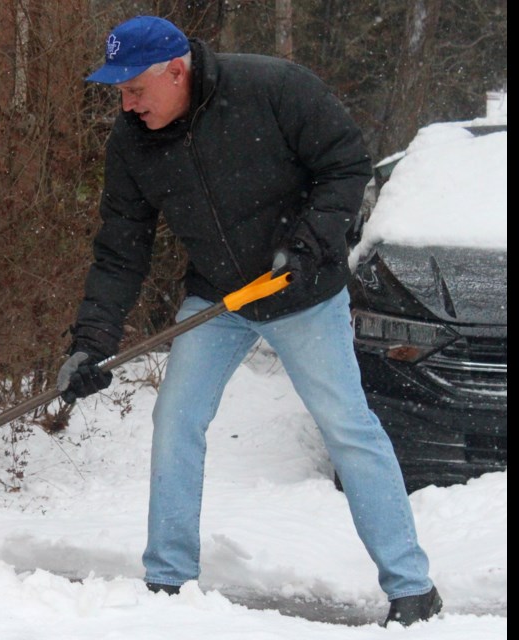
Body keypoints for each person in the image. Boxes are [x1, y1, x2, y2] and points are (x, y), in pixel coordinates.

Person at [56, 15, 441, 627]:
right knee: (176, 418)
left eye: (133, 90)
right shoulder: (132, 141)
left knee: (348, 428)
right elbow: (120, 248)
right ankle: (167, 580)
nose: (126, 105)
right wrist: (92, 343)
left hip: (302, 292)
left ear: (175, 71)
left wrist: (313, 242)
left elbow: (346, 163)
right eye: (120, 93)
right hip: (218, 298)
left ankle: (412, 587)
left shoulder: (272, 88)